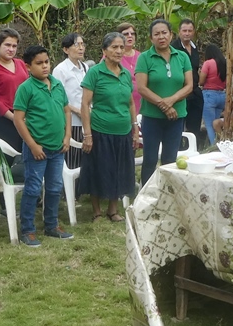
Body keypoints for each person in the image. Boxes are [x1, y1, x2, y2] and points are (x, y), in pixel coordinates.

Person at [13, 45, 74, 245]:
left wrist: (67, 136)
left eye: (46, 62)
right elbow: (18, 119)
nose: (45, 66)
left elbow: (66, 110)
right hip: (37, 149)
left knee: (55, 187)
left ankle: (51, 225)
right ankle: (28, 229)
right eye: (39, 63)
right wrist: (32, 145)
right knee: (33, 188)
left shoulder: (56, 84)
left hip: (58, 148)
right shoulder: (26, 88)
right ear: (28, 66)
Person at [80, 31, 138, 222]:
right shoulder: (95, 72)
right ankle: (96, 211)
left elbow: (130, 103)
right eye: (114, 47)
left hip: (123, 131)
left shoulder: (126, 74)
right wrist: (87, 134)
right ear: (104, 50)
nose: (119, 51)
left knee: (119, 171)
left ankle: (113, 210)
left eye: (121, 47)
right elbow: (85, 104)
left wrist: (135, 128)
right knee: (99, 170)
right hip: (100, 130)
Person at [135, 17, 193, 186]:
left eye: (164, 33)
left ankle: (168, 194)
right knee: (150, 159)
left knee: (170, 159)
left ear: (171, 35)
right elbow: (142, 88)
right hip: (152, 118)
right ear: (151, 38)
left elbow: (189, 85)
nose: (161, 37)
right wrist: (164, 106)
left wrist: (172, 100)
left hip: (176, 117)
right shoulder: (145, 58)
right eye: (157, 34)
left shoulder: (182, 56)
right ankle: (146, 195)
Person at [54, 31, 89, 169]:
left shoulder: (85, 67)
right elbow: (58, 98)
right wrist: (77, 111)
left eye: (82, 44)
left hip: (86, 120)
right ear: (66, 49)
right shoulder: (61, 70)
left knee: (84, 158)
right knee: (71, 159)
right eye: (76, 45)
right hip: (71, 121)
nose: (81, 48)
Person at [174, 18, 204, 145]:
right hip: (180, 92)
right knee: (178, 126)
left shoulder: (194, 48)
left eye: (189, 31)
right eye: (184, 30)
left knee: (194, 126)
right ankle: (178, 149)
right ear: (179, 32)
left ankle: (193, 148)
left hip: (195, 91)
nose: (187, 33)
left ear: (193, 32)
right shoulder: (173, 48)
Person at [198, 43, 228, 145]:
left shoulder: (208, 63)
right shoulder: (225, 63)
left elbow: (201, 81)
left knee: (210, 125)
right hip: (222, 95)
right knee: (216, 123)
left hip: (209, 95)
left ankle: (214, 146)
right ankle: (221, 143)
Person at [117, 20, 142, 115]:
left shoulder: (141, 56)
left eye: (132, 33)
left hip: (141, 105)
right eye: (126, 34)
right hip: (121, 105)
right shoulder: (112, 56)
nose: (130, 36)